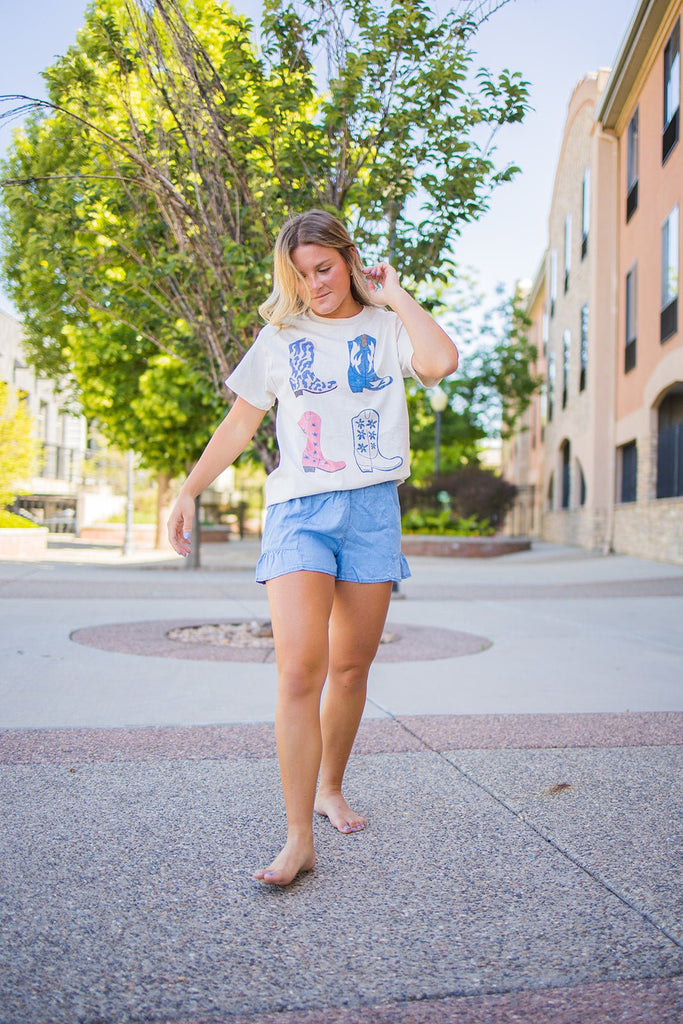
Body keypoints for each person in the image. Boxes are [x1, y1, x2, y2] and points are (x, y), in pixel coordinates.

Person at [167, 210, 458, 886]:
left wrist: (393, 293)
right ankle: (297, 836)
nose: (314, 285)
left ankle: (329, 787)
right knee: (299, 668)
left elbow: (439, 363)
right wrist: (188, 489)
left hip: (372, 510)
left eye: (323, 269)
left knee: (351, 671)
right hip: (299, 509)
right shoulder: (280, 337)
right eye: (300, 275)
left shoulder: (387, 327)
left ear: (348, 259)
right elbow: (241, 421)